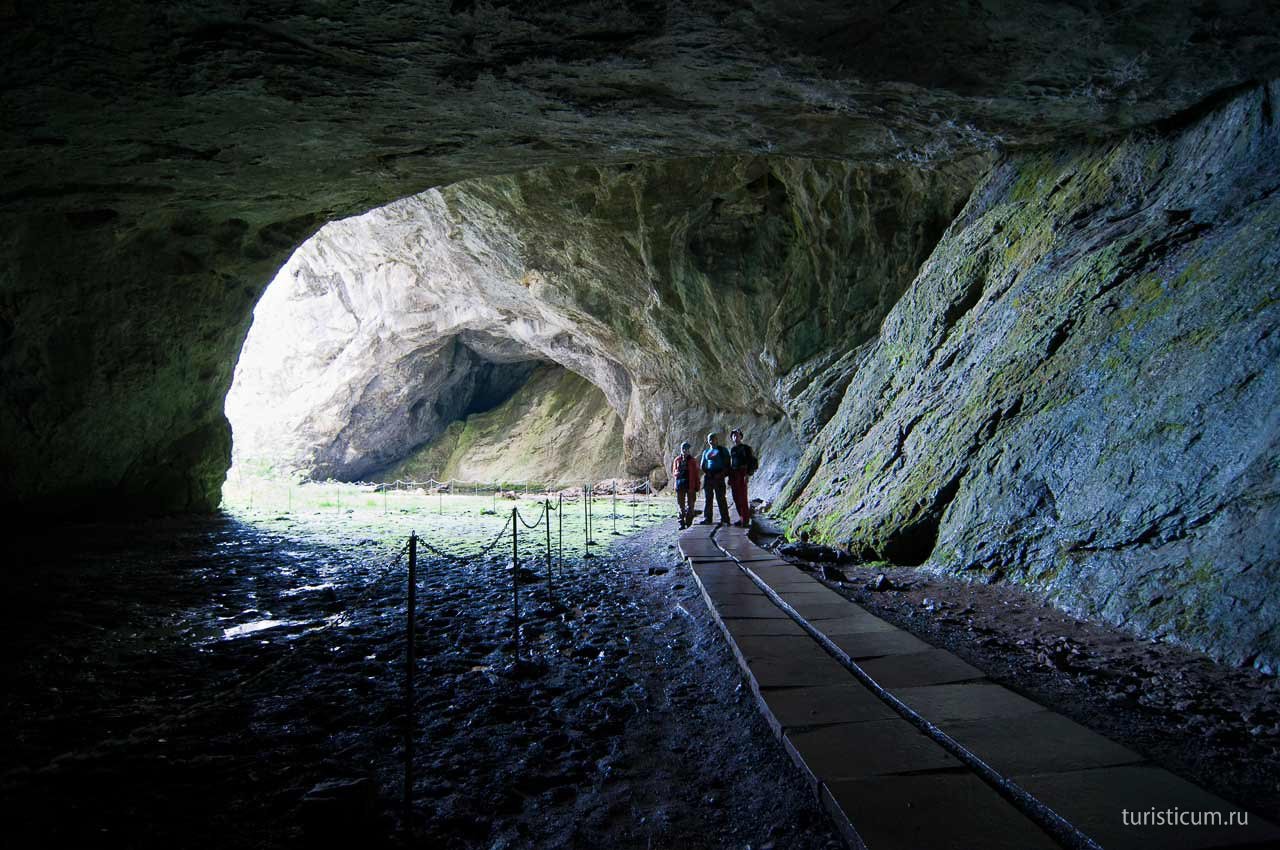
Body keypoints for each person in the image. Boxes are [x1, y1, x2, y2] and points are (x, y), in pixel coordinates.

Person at [727, 428, 759, 527]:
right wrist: (730, 476)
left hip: (742, 473)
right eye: (733, 436)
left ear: (741, 436)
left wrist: (748, 474)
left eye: (737, 435)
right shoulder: (733, 450)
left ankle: (745, 520)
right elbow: (732, 463)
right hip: (734, 473)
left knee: (742, 497)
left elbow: (752, 462)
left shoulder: (746, 448)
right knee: (735, 497)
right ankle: (741, 517)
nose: (735, 437)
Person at [699, 432, 731, 525]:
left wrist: (722, 474)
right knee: (708, 498)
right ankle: (708, 518)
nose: (712, 441)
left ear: (717, 440)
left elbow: (727, 464)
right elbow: (703, 465)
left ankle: (725, 519)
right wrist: (707, 472)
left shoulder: (722, 450)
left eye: (713, 439)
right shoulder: (706, 452)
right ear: (708, 441)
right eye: (710, 439)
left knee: (720, 498)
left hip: (719, 476)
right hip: (709, 476)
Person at [671, 441, 700, 528]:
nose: (685, 450)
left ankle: (689, 522)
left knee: (691, 504)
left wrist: (697, 485)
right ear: (681, 449)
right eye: (684, 449)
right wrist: (677, 473)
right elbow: (674, 472)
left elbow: (696, 474)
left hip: (690, 485)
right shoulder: (677, 460)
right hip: (680, 485)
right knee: (681, 505)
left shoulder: (693, 461)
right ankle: (681, 523)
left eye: (687, 449)